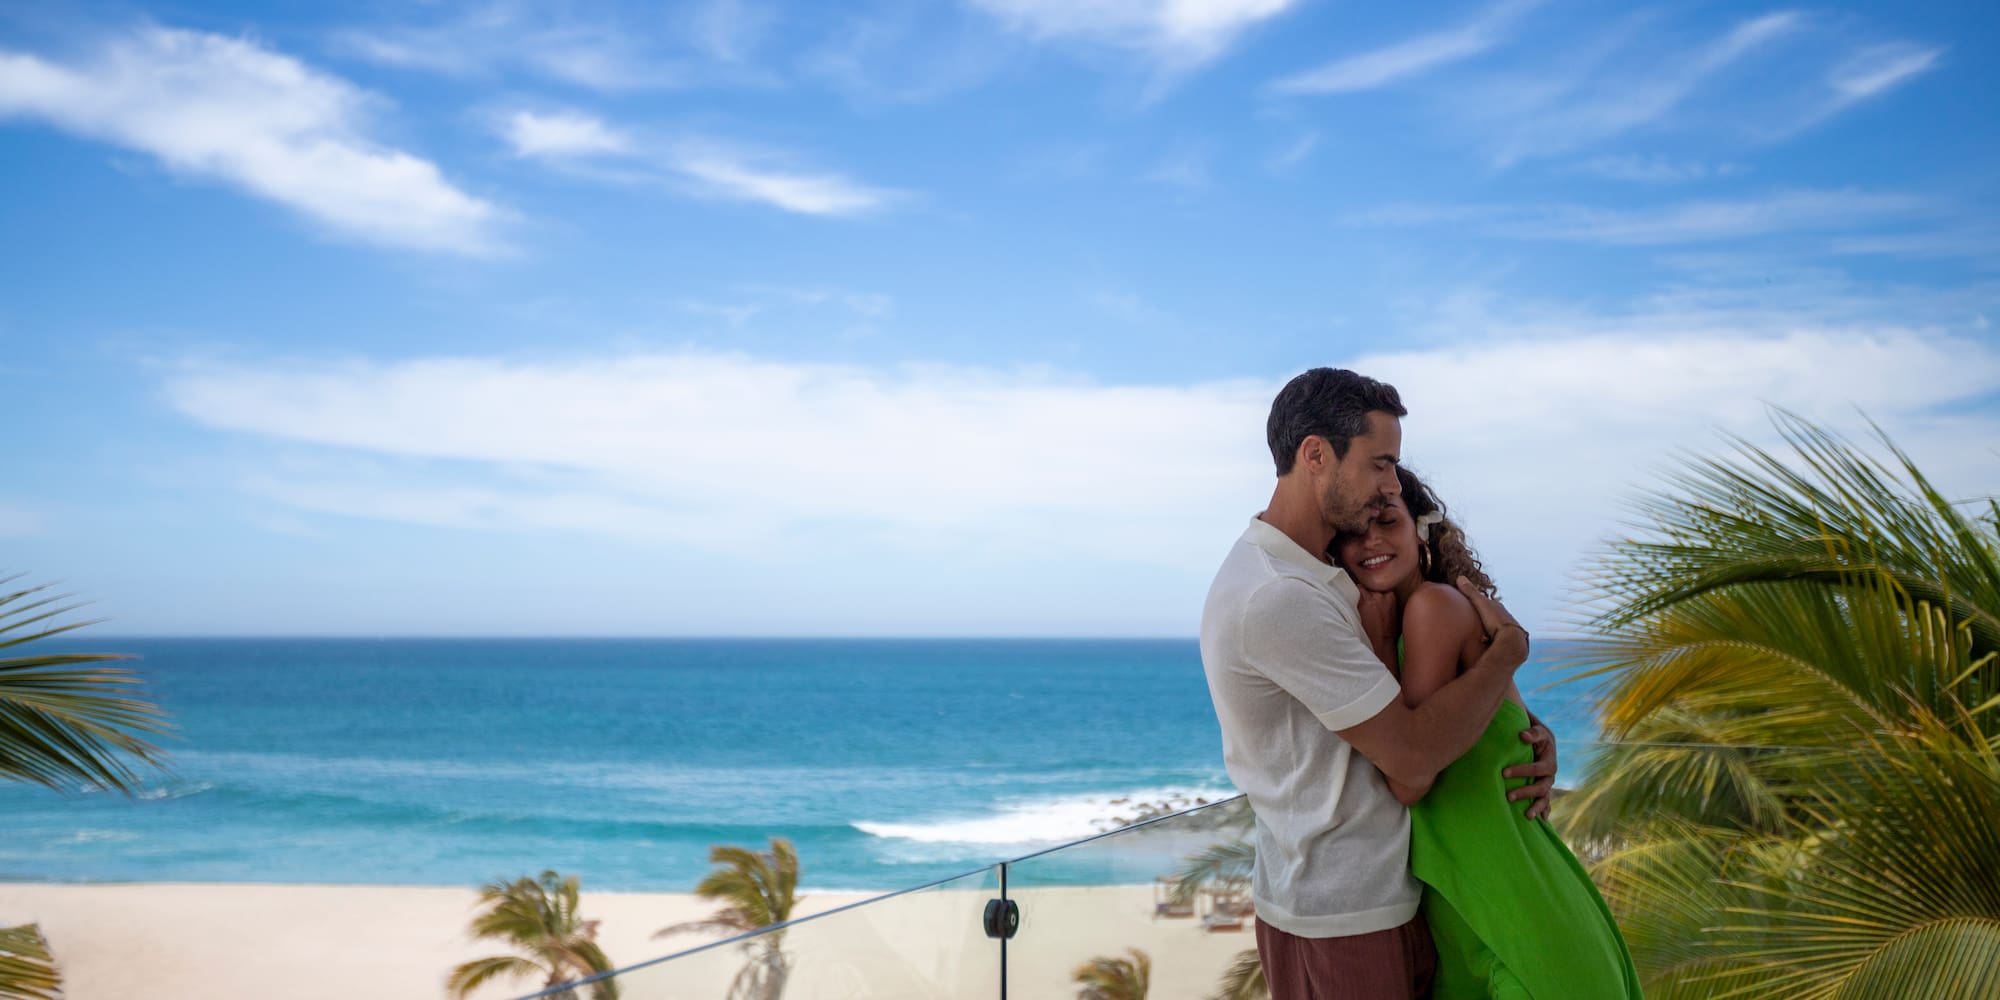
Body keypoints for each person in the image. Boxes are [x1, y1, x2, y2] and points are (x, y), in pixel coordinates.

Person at [1200, 368, 1556, 1000]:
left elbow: (1418, 704)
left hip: (1384, 896)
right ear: (1316, 455)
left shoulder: (1322, 574)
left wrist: (1516, 733)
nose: (1392, 484)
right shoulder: (1280, 595)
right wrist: (1506, 657)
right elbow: (1412, 754)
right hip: (1343, 917)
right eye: (1381, 464)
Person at [1333, 467, 1642, 998]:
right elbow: (1503, 727)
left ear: (1422, 531)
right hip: (1488, 911)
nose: (1372, 542)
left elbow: (1410, 777)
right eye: (1352, 533)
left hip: (1514, 919)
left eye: (1387, 521)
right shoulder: (1433, 615)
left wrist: (1383, 645)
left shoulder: (1431, 608)